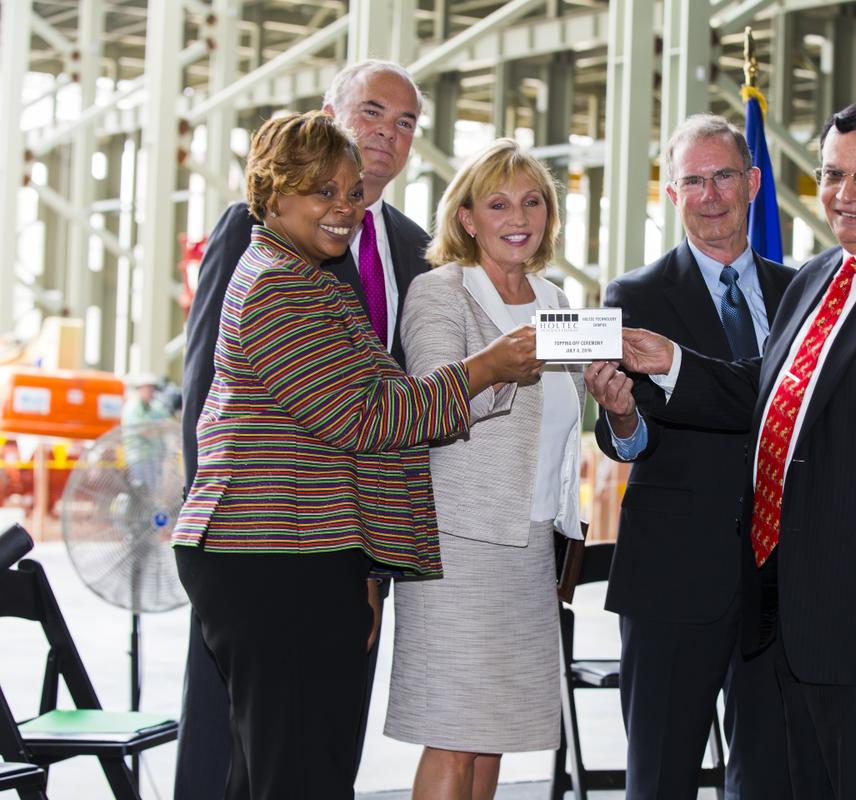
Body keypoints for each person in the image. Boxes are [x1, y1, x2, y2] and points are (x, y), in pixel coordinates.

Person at [598, 102, 856, 798]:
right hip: (789, 611)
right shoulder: (820, 279)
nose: (846, 194)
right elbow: (765, 394)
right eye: (833, 175)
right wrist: (671, 362)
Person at [172, 111, 540, 800]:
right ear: (271, 194)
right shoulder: (280, 286)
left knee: (282, 769)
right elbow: (366, 417)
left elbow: (367, 409)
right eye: (322, 191)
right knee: (298, 773)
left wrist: (364, 567)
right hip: (275, 554)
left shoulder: (307, 279)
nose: (345, 208)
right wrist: (484, 369)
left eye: (350, 192)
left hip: (306, 552)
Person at [175, 59, 427, 799]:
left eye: (406, 122)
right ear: (328, 115)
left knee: (321, 754)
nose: (387, 133)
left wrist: (374, 563)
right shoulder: (255, 231)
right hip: (258, 542)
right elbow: (206, 393)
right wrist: (217, 519)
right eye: (372, 111)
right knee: (234, 747)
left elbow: (388, 410)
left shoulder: (417, 250)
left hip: (347, 550)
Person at [583, 114, 792, 799]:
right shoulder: (635, 296)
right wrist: (621, 416)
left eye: (723, 175)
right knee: (661, 779)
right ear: (671, 194)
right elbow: (633, 434)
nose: (710, 195)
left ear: (752, 182)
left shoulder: (803, 293)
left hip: (784, 577)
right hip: (674, 575)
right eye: (692, 181)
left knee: (771, 779)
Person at [383, 139, 584, 800]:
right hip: (459, 541)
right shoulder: (439, 292)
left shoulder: (558, 300)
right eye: (498, 204)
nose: (518, 217)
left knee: (493, 733)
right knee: (453, 732)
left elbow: (562, 419)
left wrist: (615, 400)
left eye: (532, 202)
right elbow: (431, 405)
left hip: (534, 543)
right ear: (466, 218)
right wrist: (499, 368)